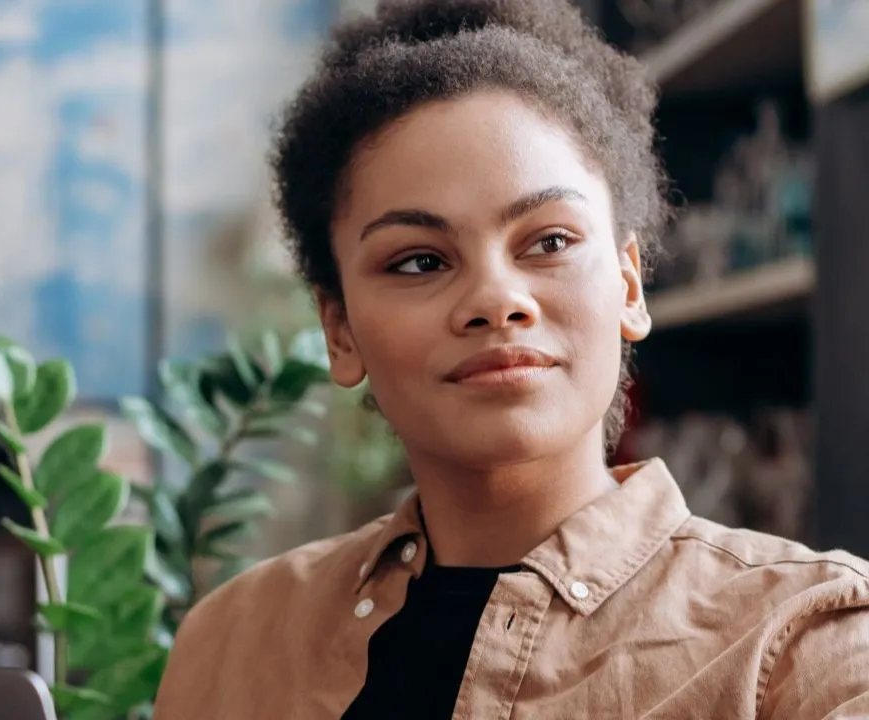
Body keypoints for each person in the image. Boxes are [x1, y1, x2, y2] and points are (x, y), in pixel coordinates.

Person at [152, 1, 869, 717]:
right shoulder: (232, 640)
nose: (496, 300)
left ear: (627, 284)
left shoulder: (808, 639)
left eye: (549, 241)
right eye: (419, 261)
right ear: (338, 330)